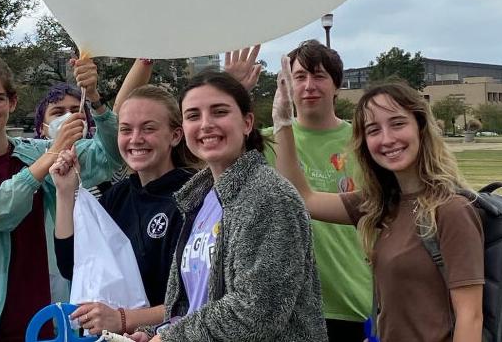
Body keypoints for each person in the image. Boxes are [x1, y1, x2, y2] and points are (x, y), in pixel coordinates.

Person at [272, 64, 484, 342]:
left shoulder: (451, 210)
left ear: (420, 128)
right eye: (373, 130)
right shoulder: (378, 205)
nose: (387, 139)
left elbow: (471, 317)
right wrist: (283, 121)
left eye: (397, 124)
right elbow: (304, 198)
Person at [0, 50, 125, 342]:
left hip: (41, 322)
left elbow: (109, 156)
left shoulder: (34, 152)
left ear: (12, 102)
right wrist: (53, 154)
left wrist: (95, 99)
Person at [132, 70, 326, 342]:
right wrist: (156, 332)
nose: (205, 124)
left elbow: (256, 312)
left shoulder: (269, 196)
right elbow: (195, 305)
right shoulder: (197, 200)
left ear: (247, 123)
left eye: (219, 112)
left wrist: (170, 338)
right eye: (193, 115)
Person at [51, 84, 195, 335]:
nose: (135, 139)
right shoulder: (118, 196)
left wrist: (124, 318)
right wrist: (64, 193)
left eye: (148, 128)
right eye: (126, 129)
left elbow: (198, 298)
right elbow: (72, 265)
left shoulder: (194, 197)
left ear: (175, 135)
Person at [263, 41, 372, 341]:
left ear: (337, 86)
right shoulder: (267, 141)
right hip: (286, 303)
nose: (309, 85)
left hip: (350, 298)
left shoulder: (364, 141)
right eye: (299, 77)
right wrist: (232, 86)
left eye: (320, 76)